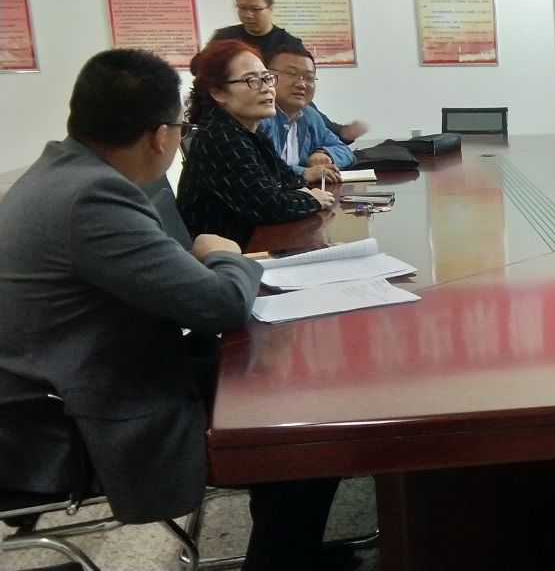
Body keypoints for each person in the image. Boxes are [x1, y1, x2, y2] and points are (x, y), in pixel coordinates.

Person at [0, 48, 353, 570]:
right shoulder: (93, 200)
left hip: (81, 378)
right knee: (306, 423)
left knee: (283, 377)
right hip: (75, 423)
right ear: (160, 136)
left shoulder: (65, 174)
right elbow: (222, 304)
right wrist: (228, 256)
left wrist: (208, 264)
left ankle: (290, 547)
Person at [177, 39, 335, 247]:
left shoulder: (251, 133)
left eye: (267, 79)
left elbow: (288, 179)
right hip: (230, 256)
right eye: (252, 81)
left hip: (253, 244)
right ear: (218, 92)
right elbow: (269, 206)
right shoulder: (220, 137)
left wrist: (300, 193)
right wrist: (313, 199)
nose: (267, 89)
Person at [208, 0, 368, 143]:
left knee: (302, 104)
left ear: (271, 8)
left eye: (256, 9)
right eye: (242, 8)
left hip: (277, 108)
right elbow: (201, 71)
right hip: (232, 111)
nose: (248, 15)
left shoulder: (289, 43)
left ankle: (336, 133)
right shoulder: (224, 38)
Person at [258, 44, 356, 175]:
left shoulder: (310, 115)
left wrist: (325, 153)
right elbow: (259, 167)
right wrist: (304, 173)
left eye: (309, 77)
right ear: (268, 77)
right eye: (291, 74)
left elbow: (344, 150)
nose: (301, 84)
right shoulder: (259, 116)